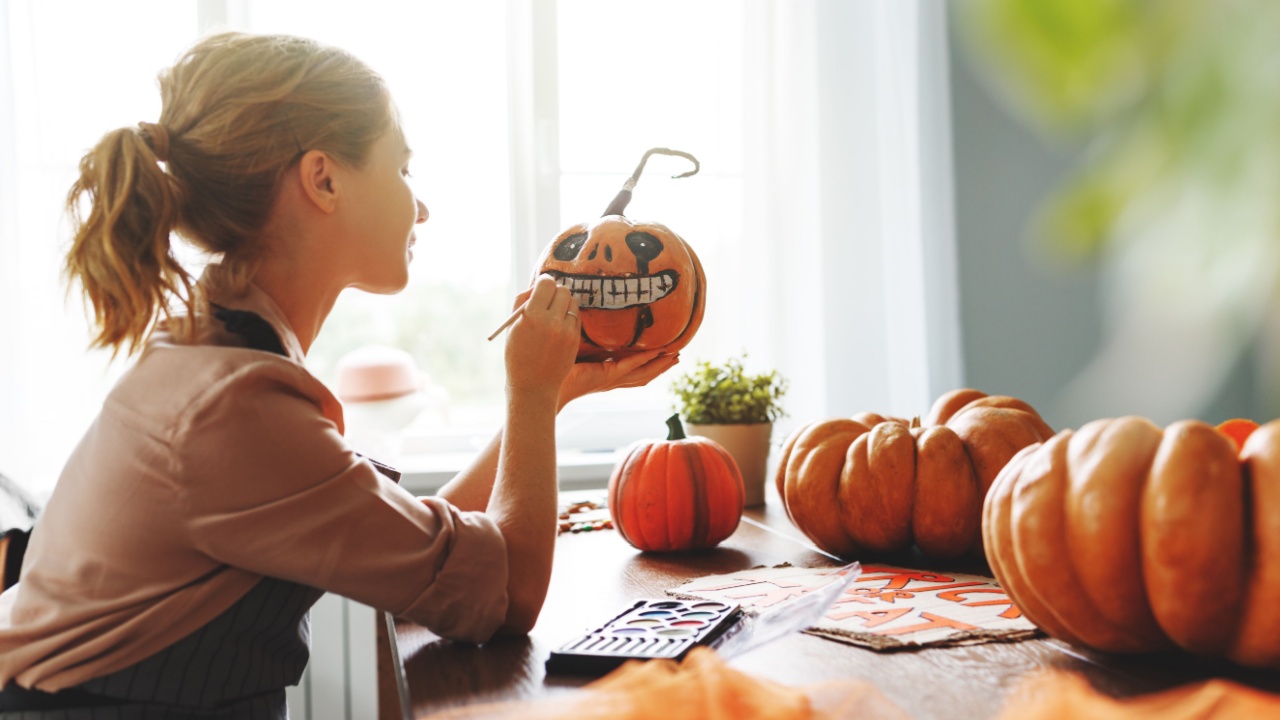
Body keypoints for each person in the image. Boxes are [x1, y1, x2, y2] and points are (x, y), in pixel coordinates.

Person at [0, 31, 677, 719]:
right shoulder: (235, 409)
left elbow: (430, 545)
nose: (420, 206)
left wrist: (550, 397)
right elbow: (508, 598)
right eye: (403, 167)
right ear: (323, 179)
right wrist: (528, 393)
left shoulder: (220, 351)